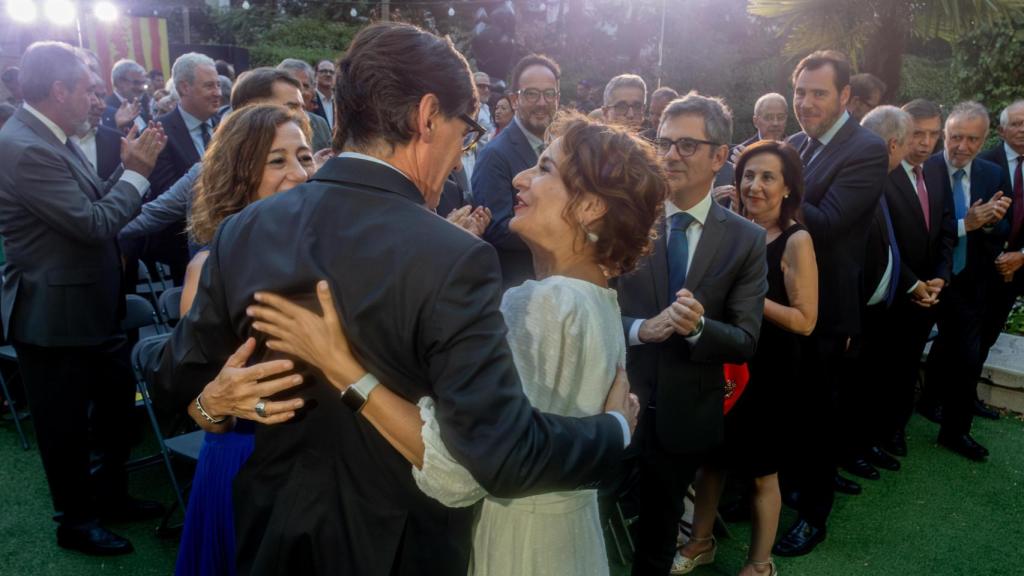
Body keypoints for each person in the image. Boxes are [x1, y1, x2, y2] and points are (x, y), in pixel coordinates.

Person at [146, 22, 635, 576]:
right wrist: (614, 430)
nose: (459, 154)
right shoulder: (452, 258)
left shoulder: (249, 227)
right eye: (463, 130)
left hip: (271, 533)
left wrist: (210, 402)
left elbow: (172, 376)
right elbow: (502, 453)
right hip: (401, 549)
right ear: (428, 117)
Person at [246, 117, 662, 576]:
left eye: (544, 167)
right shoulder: (598, 298)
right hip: (570, 539)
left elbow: (459, 470)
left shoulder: (539, 303)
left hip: (516, 545)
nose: (520, 177)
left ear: (590, 208)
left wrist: (341, 366)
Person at [0, 41, 166, 556]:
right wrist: (137, 173)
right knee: (65, 429)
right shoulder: (23, 146)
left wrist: (124, 170)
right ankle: (75, 522)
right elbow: (93, 224)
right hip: (51, 316)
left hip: (92, 305)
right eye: (89, 90)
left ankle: (110, 496)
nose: (97, 100)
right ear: (59, 91)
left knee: (115, 412)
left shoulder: (53, 134)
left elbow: (90, 203)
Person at [616, 92, 768, 576]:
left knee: (657, 540)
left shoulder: (745, 239)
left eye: (686, 144)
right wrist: (641, 329)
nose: (670, 155)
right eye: (664, 142)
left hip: (684, 418)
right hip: (611, 399)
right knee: (584, 517)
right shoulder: (627, 216)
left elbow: (745, 338)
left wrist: (699, 327)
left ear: (719, 157)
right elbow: (587, 309)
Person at [172, 104, 315, 576]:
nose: (297, 172)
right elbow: (199, 406)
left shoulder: (327, 253)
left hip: (319, 469)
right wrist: (215, 403)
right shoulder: (210, 267)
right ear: (240, 173)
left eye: (305, 156)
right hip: (243, 463)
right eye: (277, 161)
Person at [676, 140, 816, 576]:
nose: (755, 186)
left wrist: (752, 295)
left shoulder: (796, 240)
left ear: (788, 187)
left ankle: (760, 564)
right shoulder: (731, 229)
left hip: (770, 370)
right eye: (748, 176)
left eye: (768, 177)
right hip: (724, 361)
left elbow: (806, 320)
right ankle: (701, 542)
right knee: (711, 459)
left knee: (761, 473)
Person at [773, 50, 889, 558]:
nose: (806, 102)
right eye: (800, 92)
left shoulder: (867, 148)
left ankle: (814, 516)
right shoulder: (794, 145)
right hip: (782, 301)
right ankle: (779, 491)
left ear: (845, 96)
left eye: (818, 93)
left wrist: (766, 192)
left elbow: (832, 220)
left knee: (819, 415)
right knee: (784, 407)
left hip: (829, 310)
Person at [923, 101, 1011, 462]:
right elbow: (917, 230)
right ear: (944, 134)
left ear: (984, 138)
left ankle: (955, 432)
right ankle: (893, 427)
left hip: (969, 282)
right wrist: (966, 224)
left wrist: (992, 221)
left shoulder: (991, 173)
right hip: (923, 280)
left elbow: (1002, 227)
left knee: (967, 358)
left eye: (972, 139)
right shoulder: (924, 170)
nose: (962, 146)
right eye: (956, 137)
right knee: (896, 361)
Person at [839, 106, 917, 481]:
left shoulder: (883, 179)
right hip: (850, 314)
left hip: (876, 310)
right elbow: (844, 259)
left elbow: (887, 247)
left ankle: (858, 446)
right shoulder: (857, 183)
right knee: (844, 392)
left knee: (863, 387)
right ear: (892, 144)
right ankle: (840, 456)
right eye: (907, 144)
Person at [880, 99, 955, 459]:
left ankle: (896, 428)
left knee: (909, 365)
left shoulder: (938, 170)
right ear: (901, 135)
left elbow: (945, 228)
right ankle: (875, 434)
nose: (925, 143)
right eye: (917, 134)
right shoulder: (884, 173)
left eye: (933, 135)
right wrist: (913, 284)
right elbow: (883, 243)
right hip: (894, 293)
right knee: (884, 368)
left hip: (930, 293)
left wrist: (940, 277)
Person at [476, 54, 561, 289]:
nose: (542, 102)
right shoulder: (494, 154)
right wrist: (560, 232)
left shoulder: (561, 148)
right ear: (514, 99)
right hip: (519, 287)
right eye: (532, 93)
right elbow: (497, 228)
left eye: (549, 93)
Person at [139, 52, 222, 284]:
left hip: (227, 242)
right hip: (183, 249)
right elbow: (165, 192)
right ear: (185, 87)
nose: (218, 93)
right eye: (209, 86)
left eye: (218, 85)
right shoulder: (159, 131)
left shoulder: (225, 127)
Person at [976, 99, 1024, 418]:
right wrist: (998, 257)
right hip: (982, 267)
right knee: (965, 336)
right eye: (1017, 124)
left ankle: (967, 395)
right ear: (1002, 129)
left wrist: (1020, 256)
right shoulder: (983, 162)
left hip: (1018, 268)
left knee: (990, 333)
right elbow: (972, 215)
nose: (1023, 130)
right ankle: (937, 397)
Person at [71, 71, 125, 181]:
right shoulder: (47, 142)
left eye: (102, 97)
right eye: (90, 94)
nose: (102, 106)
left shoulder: (117, 140)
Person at [277, 58, 332, 152]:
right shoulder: (265, 124)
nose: (300, 92)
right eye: (294, 85)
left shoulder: (320, 124)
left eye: (305, 86)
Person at [102, 59, 151, 133]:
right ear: (119, 82)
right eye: (136, 83)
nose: (141, 88)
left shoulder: (142, 104)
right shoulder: (105, 110)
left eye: (143, 83)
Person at [313, 59, 336, 128]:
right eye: (324, 71)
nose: (328, 74)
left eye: (331, 72)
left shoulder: (340, 102)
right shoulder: (310, 99)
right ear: (315, 75)